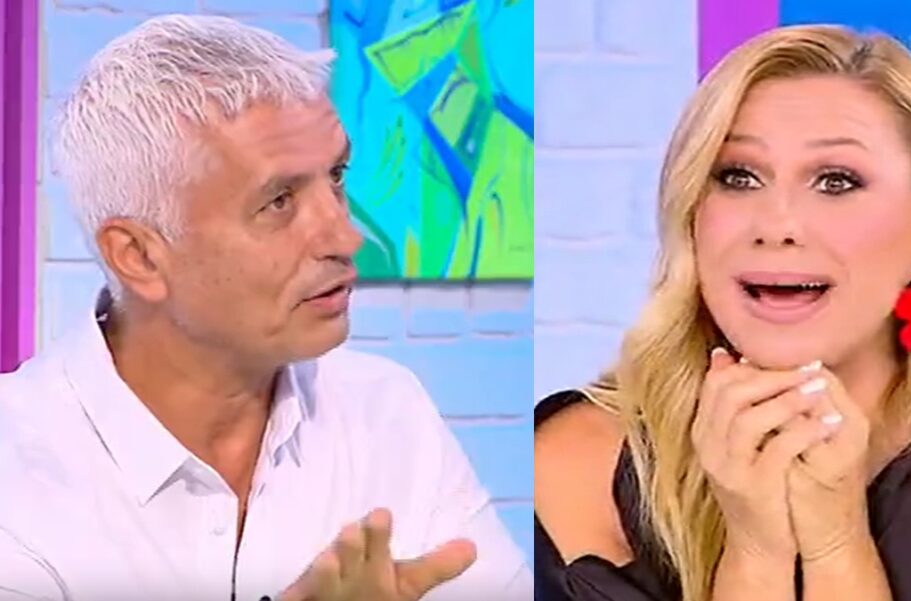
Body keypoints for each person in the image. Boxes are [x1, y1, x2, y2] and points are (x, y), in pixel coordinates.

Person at [0, 14, 531, 601]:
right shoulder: (14, 463)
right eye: (278, 201)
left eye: (336, 177)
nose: (346, 237)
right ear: (139, 256)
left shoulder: (387, 411)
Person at [534, 24, 911, 601]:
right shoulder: (571, 465)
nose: (777, 225)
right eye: (738, 177)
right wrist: (756, 551)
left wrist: (836, 546)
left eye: (836, 181)